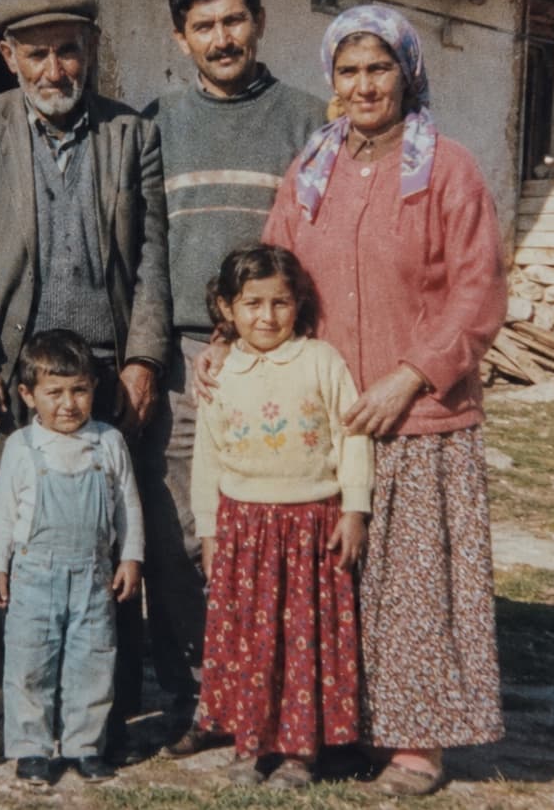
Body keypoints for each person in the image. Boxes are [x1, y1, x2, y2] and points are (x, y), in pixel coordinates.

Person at [259, 3, 508, 796]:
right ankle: (339, 727)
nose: (364, 86)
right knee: (329, 581)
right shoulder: (309, 173)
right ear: (331, 81)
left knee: (412, 588)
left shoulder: (449, 169)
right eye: (348, 71)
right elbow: (274, 275)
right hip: (330, 417)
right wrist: (244, 352)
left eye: (379, 68)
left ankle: (414, 745)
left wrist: (411, 376)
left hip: (420, 415)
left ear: (408, 73)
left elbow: (479, 292)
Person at [0, 0, 170, 766]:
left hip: (98, 375)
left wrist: (140, 359)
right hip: (5, 372)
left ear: (90, 51)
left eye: (69, 50)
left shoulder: (132, 135)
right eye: (37, 53)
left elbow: (152, 261)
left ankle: (103, 712)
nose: (55, 68)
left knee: (101, 542)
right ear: (9, 57)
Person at [141, 0, 326, 737]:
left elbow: (320, 244)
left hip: (280, 357)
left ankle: (280, 695)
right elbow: (147, 248)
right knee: (185, 527)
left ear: (259, 20)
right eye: (204, 26)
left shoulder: (309, 121)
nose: (222, 39)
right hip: (188, 358)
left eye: (233, 20)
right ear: (181, 38)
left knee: (276, 531)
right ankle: (200, 696)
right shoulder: (156, 124)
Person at [191, 244, 372, 788]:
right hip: (244, 528)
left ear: (298, 305)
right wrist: (208, 527)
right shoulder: (220, 373)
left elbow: (352, 434)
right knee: (249, 640)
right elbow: (208, 454)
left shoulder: (321, 360)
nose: (266, 317)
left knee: (302, 642)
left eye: (280, 303)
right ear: (227, 308)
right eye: (252, 304)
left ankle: (299, 752)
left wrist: (355, 508)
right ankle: (250, 743)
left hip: (311, 527)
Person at [0, 330, 144, 786]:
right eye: (54, 393)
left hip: (93, 574)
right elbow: (2, 514)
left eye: (79, 390)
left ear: (94, 388)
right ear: (28, 395)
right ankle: (32, 748)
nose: (68, 404)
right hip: (33, 574)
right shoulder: (21, 447)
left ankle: (84, 745)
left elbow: (128, 505)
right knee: (30, 662)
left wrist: (130, 558)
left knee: (91, 661)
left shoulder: (108, 442)